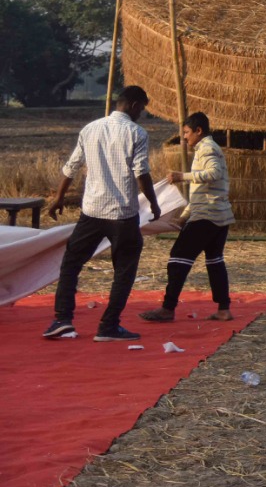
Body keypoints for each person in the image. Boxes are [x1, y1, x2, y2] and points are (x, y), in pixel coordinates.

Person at [42, 85, 162, 342]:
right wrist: (153, 203)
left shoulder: (90, 129)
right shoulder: (136, 133)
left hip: (92, 211)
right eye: (142, 107)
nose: (142, 113)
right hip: (122, 214)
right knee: (124, 269)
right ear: (134, 105)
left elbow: (70, 167)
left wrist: (58, 198)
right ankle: (108, 326)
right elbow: (141, 172)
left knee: (71, 263)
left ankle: (62, 320)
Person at [139, 112, 234, 323]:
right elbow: (201, 190)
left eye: (187, 133)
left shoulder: (207, 149)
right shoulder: (208, 148)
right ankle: (223, 309)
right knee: (215, 262)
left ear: (199, 131)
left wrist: (182, 177)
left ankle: (168, 308)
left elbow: (214, 173)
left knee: (177, 259)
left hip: (207, 216)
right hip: (219, 215)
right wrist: (184, 217)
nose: (184, 138)